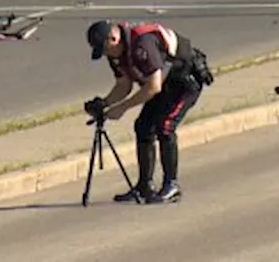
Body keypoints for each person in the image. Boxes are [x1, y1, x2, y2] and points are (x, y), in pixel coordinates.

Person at [85, 19, 212, 205]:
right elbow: (124, 85)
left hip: (185, 82)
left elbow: (153, 87)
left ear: (113, 39)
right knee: (143, 126)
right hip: (164, 83)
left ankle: (171, 185)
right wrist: (104, 103)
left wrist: (122, 108)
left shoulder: (143, 43)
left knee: (165, 126)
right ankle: (145, 186)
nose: (105, 55)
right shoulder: (116, 53)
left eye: (105, 49)